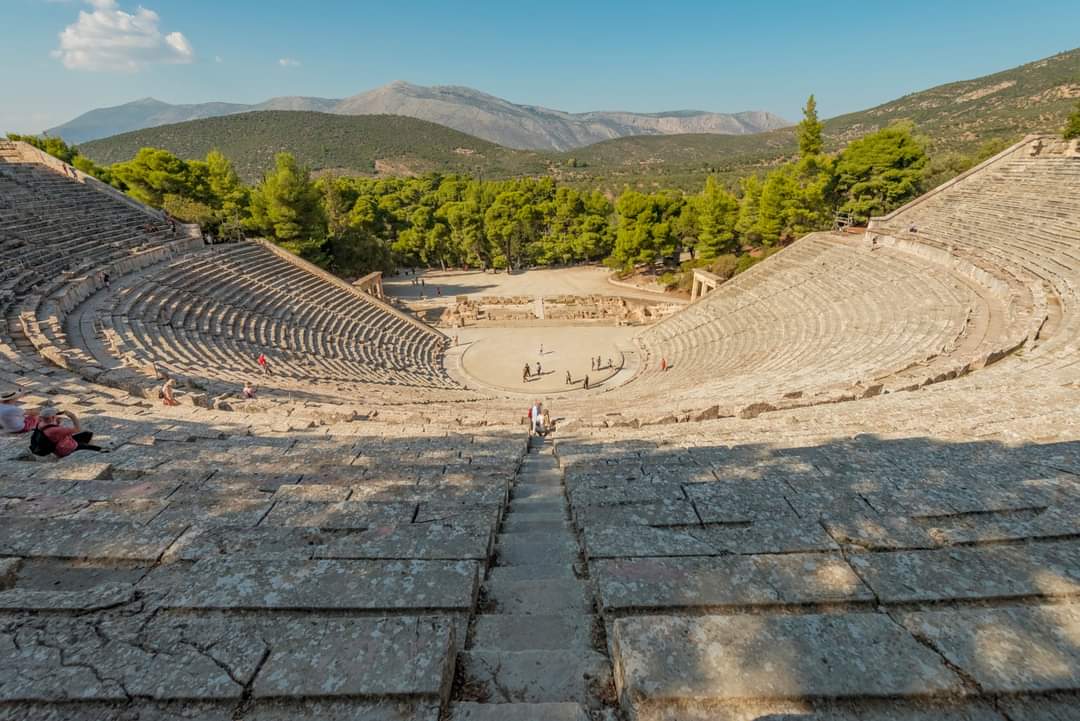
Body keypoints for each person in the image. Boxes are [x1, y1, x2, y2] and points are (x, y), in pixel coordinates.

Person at [32, 407, 105, 457]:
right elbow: (78, 429)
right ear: (53, 417)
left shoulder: (40, 423)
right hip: (67, 448)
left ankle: (87, 446)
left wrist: (56, 422)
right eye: (55, 415)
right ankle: (89, 450)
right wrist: (73, 416)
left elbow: (50, 426)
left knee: (87, 434)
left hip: (61, 444)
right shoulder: (56, 430)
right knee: (100, 449)